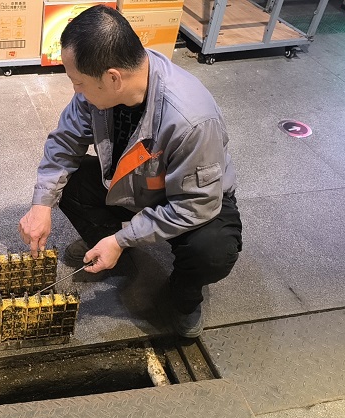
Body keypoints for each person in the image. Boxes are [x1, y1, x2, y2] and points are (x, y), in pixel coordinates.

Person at [18, 5, 242, 339]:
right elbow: (64, 142)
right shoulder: (101, 87)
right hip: (134, 185)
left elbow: (195, 204)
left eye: (78, 82)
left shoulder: (191, 119)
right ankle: (107, 246)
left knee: (212, 251)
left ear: (113, 78)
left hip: (189, 200)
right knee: (67, 182)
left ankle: (183, 296)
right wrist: (41, 204)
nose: (76, 90)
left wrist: (123, 238)